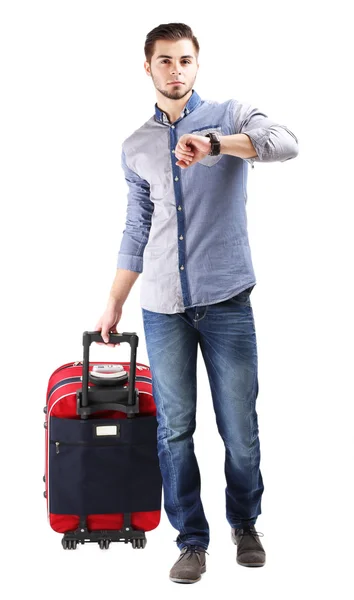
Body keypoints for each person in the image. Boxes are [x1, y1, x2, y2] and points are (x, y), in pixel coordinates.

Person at [95, 22, 299, 584]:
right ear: (149, 67)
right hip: (162, 306)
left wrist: (215, 145)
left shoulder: (231, 116)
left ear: (197, 64)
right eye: (165, 61)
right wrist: (114, 301)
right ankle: (190, 540)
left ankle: (246, 523)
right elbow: (137, 228)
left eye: (185, 60)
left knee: (239, 427)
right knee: (174, 429)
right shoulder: (135, 146)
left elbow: (287, 143)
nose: (176, 70)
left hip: (227, 300)